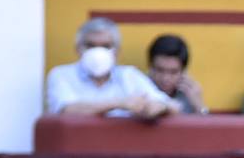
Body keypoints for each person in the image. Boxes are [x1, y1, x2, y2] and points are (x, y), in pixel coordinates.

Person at [46, 17, 177, 118]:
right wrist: (119, 104)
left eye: (105, 46)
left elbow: (172, 106)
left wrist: (157, 107)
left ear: (116, 51)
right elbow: (66, 110)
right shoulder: (61, 75)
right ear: (78, 49)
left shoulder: (129, 75)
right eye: (91, 45)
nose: (98, 52)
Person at [147, 34, 207, 114]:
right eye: (160, 70)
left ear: (183, 72)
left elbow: (206, 124)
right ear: (150, 67)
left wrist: (199, 106)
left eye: (173, 72)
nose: (165, 78)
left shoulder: (189, 94)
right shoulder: (138, 88)